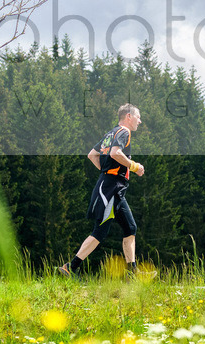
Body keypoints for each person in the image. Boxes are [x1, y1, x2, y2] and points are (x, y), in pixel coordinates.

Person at [59, 103, 145, 277]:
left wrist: (106, 172)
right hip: (111, 189)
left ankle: (133, 274)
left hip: (112, 187)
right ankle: (70, 267)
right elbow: (115, 153)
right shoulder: (124, 132)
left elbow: (92, 154)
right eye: (138, 117)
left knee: (130, 227)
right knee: (100, 231)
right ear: (128, 116)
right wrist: (134, 166)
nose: (140, 121)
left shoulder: (110, 133)